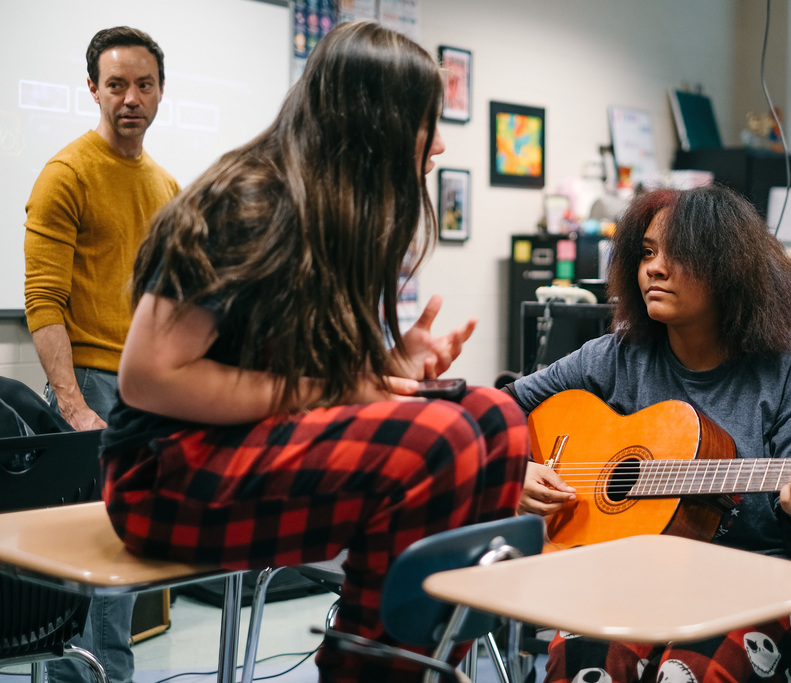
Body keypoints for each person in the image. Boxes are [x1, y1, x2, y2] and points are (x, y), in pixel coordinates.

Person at [100, 21, 529, 683]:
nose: (439, 144)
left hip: (247, 445)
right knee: (439, 439)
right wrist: (338, 386)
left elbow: (306, 374)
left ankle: (426, 662)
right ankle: (366, 667)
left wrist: (390, 366)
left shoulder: (340, 211)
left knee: (497, 420)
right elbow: (149, 377)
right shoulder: (246, 202)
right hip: (161, 477)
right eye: (426, 122)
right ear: (374, 122)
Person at [508, 185, 791, 683]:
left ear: (729, 267)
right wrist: (515, 468)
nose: (654, 267)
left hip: (769, 582)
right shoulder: (616, 355)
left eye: (678, 253)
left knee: (683, 673)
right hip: (638, 576)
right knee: (583, 662)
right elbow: (499, 409)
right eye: (646, 252)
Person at [23, 26, 178, 683]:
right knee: (104, 547)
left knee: (131, 545)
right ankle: (98, 673)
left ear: (160, 91)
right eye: (116, 84)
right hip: (94, 382)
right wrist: (74, 404)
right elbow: (43, 301)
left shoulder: (167, 186)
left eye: (144, 84)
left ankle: (101, 670)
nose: (131, 98)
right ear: (93, 89)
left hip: (151, 390)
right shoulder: (67, 173)